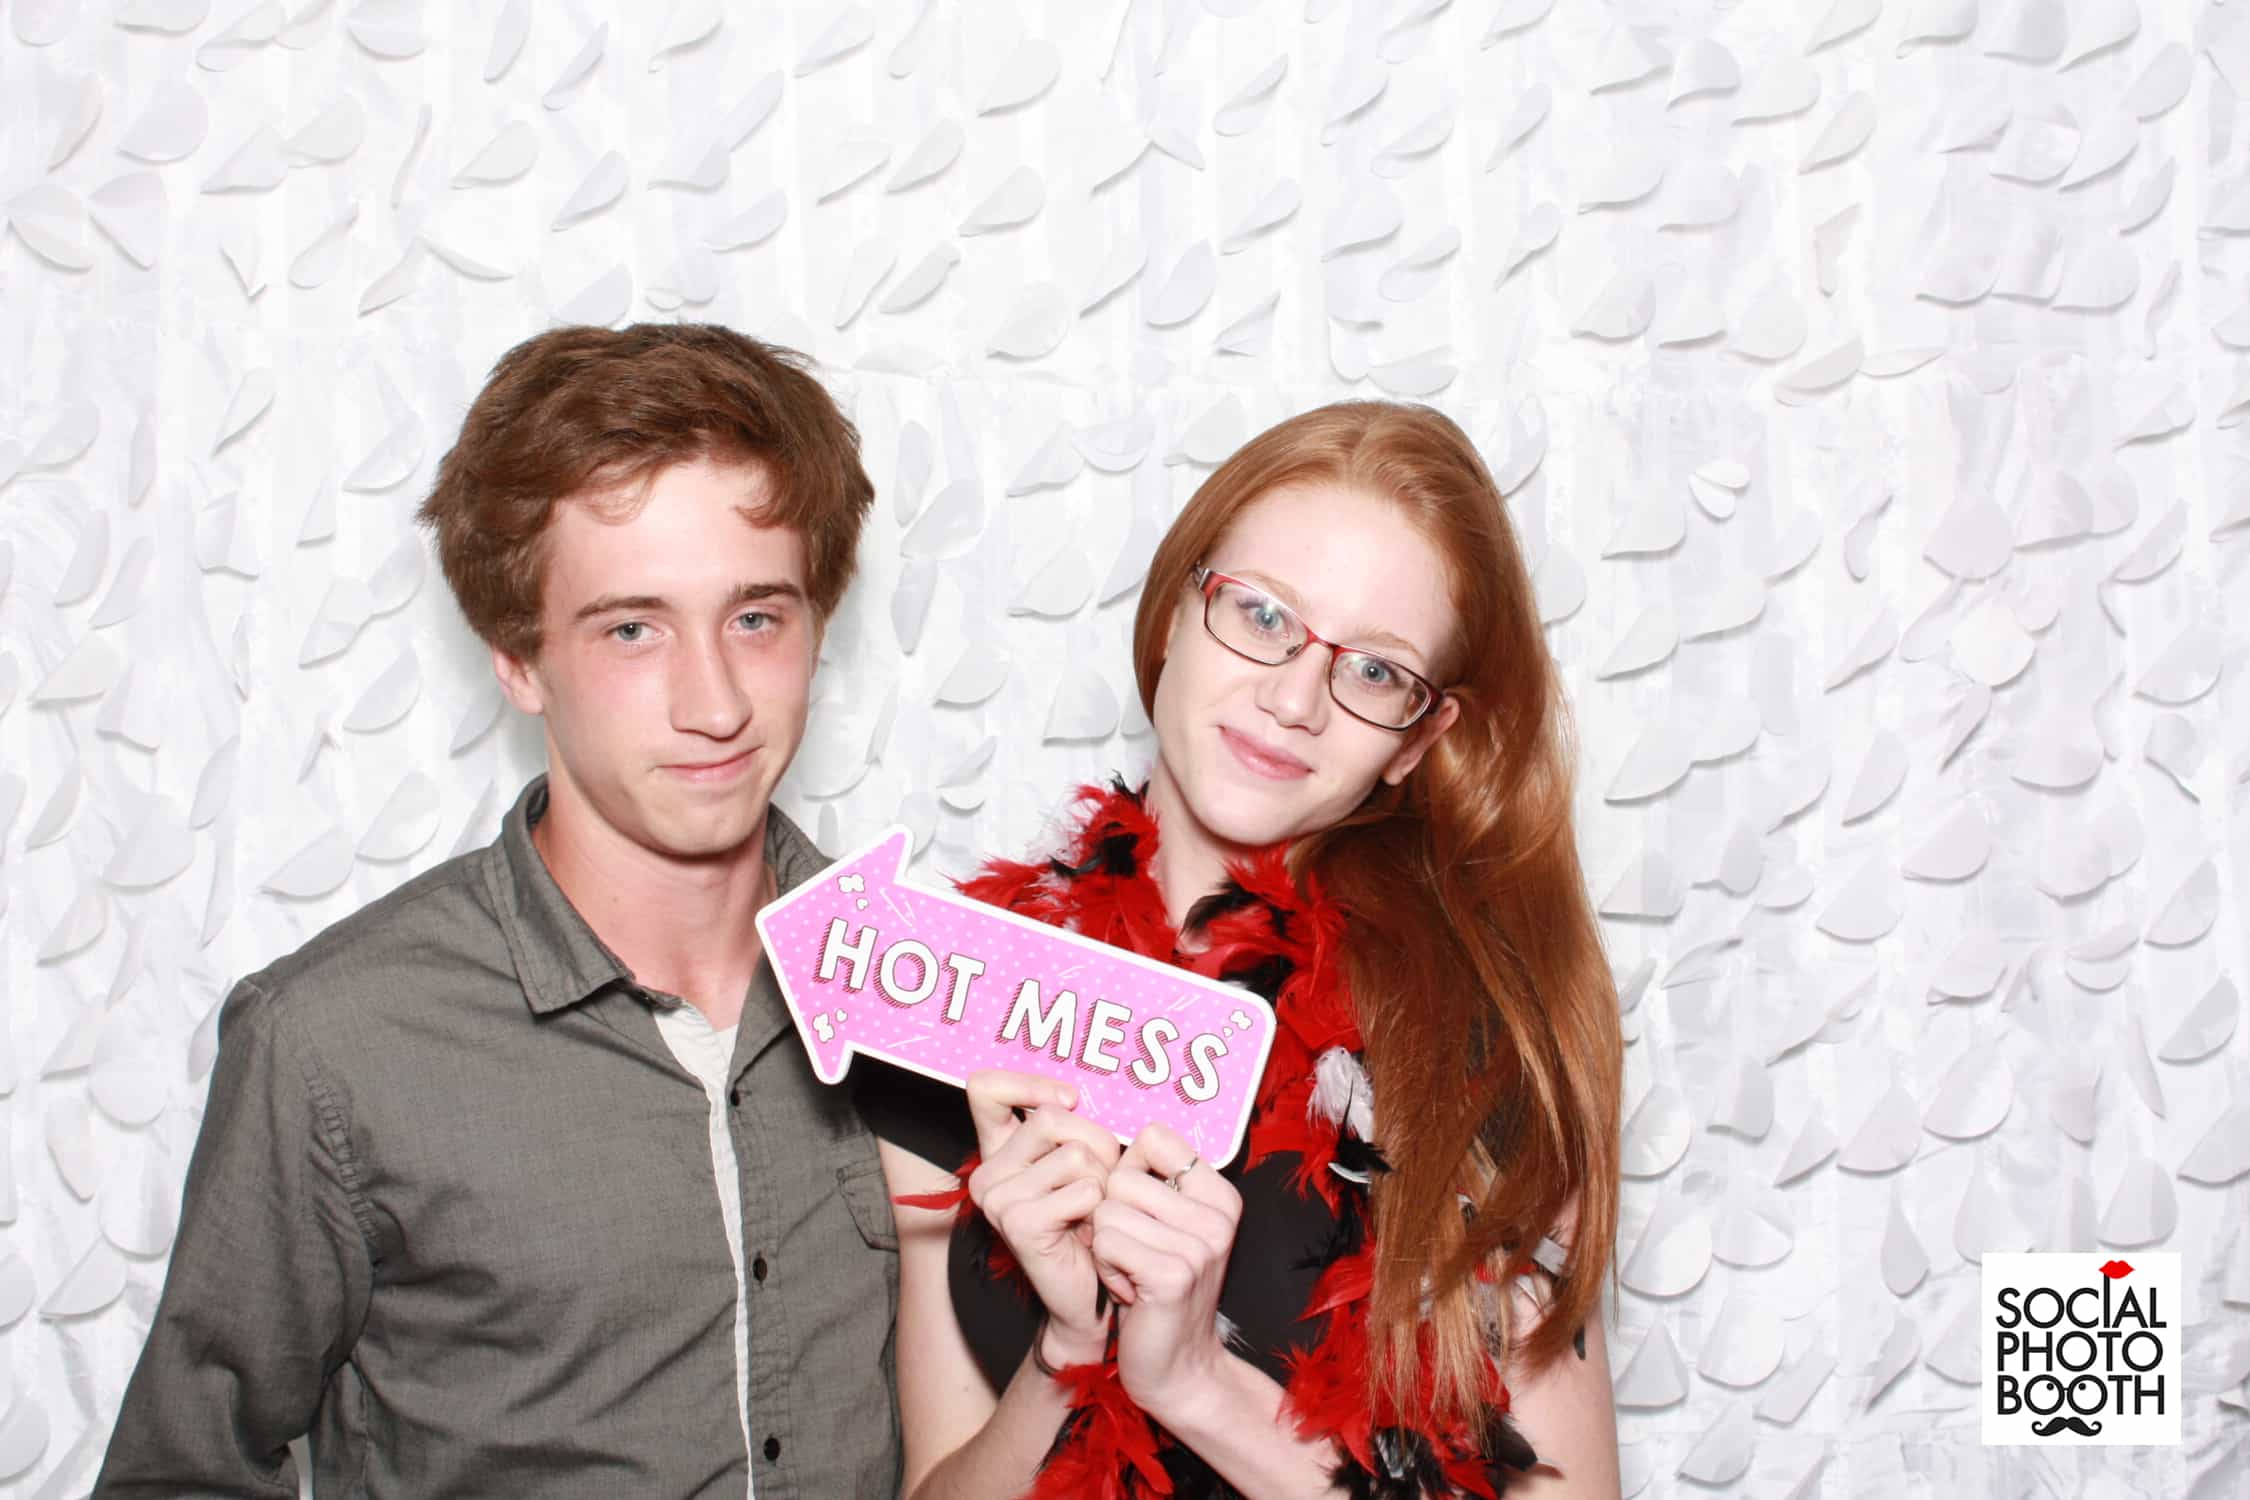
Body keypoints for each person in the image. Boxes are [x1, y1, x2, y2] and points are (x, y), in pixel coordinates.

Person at [94, 323, 902, 1498]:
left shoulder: (924, 985)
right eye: (633, 629)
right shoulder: (333, 1044)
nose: (716, 702)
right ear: (518, 660)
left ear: (818, 626)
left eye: (755, 618)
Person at [863, 399, 1626, 1498]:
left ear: (1417, 742)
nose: (1294, 698)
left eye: (1375, 672)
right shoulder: (965, 1000)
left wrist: (1194, 1384)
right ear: (1175, 613)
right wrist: (1068, 1353)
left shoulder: (1480, 1053)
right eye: (1262, 614)